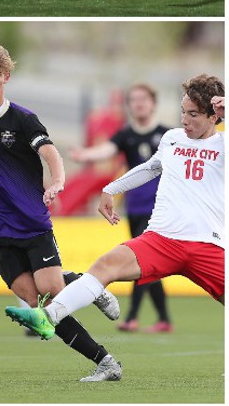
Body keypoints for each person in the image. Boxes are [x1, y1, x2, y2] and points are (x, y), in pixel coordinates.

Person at [0, 42, 123, 382]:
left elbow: (51, 153)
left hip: (31, 224)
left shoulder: (23, 119)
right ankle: (106, 361)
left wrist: (57, 182)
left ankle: (93, 289)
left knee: (54, 291)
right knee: (41, 305)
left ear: (6, 78)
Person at [7, 76, 225, 343]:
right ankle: (47, 317)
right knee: (104, 266)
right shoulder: (173, 138)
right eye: (182, 112)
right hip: (161, 239)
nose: (184, 120)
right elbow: (151, 167)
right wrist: (112, 188)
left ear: (214, 116)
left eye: (193, 114)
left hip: (206, 244)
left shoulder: (223, 145)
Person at [70, 83, 173, 332]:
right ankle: (164, 319)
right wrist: (86, 155)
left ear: (153, 103)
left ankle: (132, 317)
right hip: (135, 208)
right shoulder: (125, 135)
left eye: (143, 99)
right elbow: (107, 150)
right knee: (149, 264)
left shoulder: (168, 135)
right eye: (134, 100)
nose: (138, 103)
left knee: (141, 260)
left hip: (159, 209)